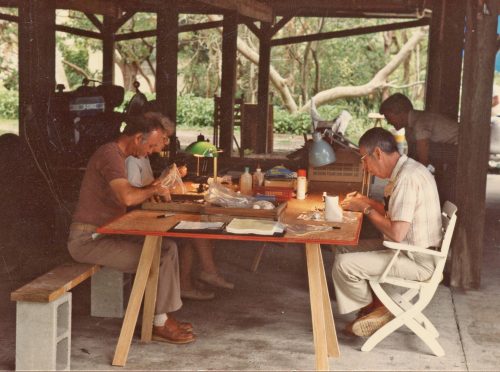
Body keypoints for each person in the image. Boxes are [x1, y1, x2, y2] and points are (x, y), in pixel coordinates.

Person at [67, 115, 195, 344]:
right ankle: (159, 323)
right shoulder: (110, 155)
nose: (152, 152)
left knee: (168, 247)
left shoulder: (119, 155)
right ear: (138, 138)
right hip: (87, 240)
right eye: (151, 146)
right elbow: (127, 197)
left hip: (105, 233)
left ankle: (161, 318)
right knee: (158, 256)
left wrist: (155, 187)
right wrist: (156, 186)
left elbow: (133, 194)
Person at [333, 127, 443, 338]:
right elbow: (397, 213)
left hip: (417, 260)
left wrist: (365, 209)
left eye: (364, 159)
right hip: (410, 250)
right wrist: (366, 201)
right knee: (345, 246)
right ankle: (376, 307)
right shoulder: (408, 170)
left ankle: (377, 310)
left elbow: (397, 232)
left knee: (343, 265)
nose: (365, 167)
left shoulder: (407, 178)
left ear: (377, 154)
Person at [125, 112, 234, 301]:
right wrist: (166, 180)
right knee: (191, 230)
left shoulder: (142, 156)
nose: (165, 144)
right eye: (162, 139)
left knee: (196, 225)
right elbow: (138, 193)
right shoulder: (132, 159)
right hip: (139, 214)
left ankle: (192, 280)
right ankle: (200, 276)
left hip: (150, 207)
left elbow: (151, 185)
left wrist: (170, 176)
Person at [379, 93, 458, 202]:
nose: (388, 122)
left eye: (388, 117)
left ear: (400, 113)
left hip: (461, 150)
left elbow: (422, 159)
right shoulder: (409, 127)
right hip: (446, 150)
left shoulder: (420, 123)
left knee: (421, 161)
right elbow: (411, 157)